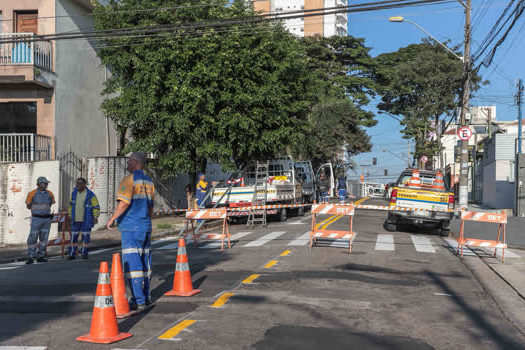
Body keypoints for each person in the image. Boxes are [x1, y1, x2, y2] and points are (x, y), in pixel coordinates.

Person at [106, 152, 155, 311]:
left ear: (135, 162)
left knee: (133, 264)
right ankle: (146, 297)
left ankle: (138, 300)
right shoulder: (149, 182)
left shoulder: (129, 180)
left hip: (131, 227)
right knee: (144, 263)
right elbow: (151, 208)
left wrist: (112, 218)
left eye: (128, 161)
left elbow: (124, 203)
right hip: (145, 226)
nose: (127, 164)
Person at [67, 178, 100, 260]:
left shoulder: (90, 195)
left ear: (84, 185)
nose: (78, 185)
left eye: (80, 183)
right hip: (75, 220)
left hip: (86, 220)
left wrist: (95, 216)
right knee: (73, 238)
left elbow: (96, 206)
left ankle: (84, 252)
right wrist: (70, 215)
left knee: (85, 237)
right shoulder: (74, 194)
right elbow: (70, 205)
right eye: (77, 183)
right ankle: (72, 254)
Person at [25, 177, 56, 264]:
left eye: (46, 183)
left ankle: (41, 256)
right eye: (44, 183)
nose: (46, 185)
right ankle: (30, 257)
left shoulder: (50, 194)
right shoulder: (32, 193)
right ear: (38, 184)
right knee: (32, 238)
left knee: (44, 239)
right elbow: (28, 206)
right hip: (36, 218)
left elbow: (50, 204)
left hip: (46, 219)